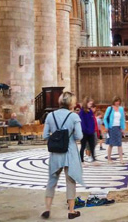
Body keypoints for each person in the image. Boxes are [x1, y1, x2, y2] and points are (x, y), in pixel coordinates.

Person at [41, 91, 83, 220]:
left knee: (52, 180)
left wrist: (56, 138)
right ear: (71, 103)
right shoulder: (74, 117)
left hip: (55, 153)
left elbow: (45, 136)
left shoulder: (50, 116)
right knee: (70, 181)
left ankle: (47, 209)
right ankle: (71, 211)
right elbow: (79, 136)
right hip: (69, 152)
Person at [103, 96, 126, 164]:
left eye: (119, 101)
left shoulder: (121, 109)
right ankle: (109, 159)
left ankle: (121, 159)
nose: (117, 102)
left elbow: (122, 119)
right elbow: (105, 118)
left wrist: (123, 128)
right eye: (116, 101)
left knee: (119, 143)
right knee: (111, 144)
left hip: (118, 127)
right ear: (114, 101)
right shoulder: (109, 108)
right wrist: (106, 127)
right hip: (111, 128)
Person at [79, 96, 96, 163]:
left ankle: (93, 159)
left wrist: (92, 130)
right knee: (83, 146)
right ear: (86, 103)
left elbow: (92, 121)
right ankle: (81, 160)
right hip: (84, 132)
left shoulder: (90, 111)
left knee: (92, 146)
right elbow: (82, 123)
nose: (91, 105)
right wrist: (87, 130)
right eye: (90, 104)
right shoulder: (82, 112)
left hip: (91, 132)